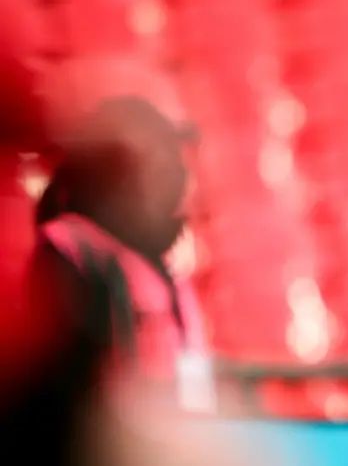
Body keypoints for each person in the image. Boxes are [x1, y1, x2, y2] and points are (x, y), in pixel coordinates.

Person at [27, 95, 214, 415]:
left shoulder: (163, 267)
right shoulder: (69, 249)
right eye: (156, 160)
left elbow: (194, 385)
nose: (173, 175)